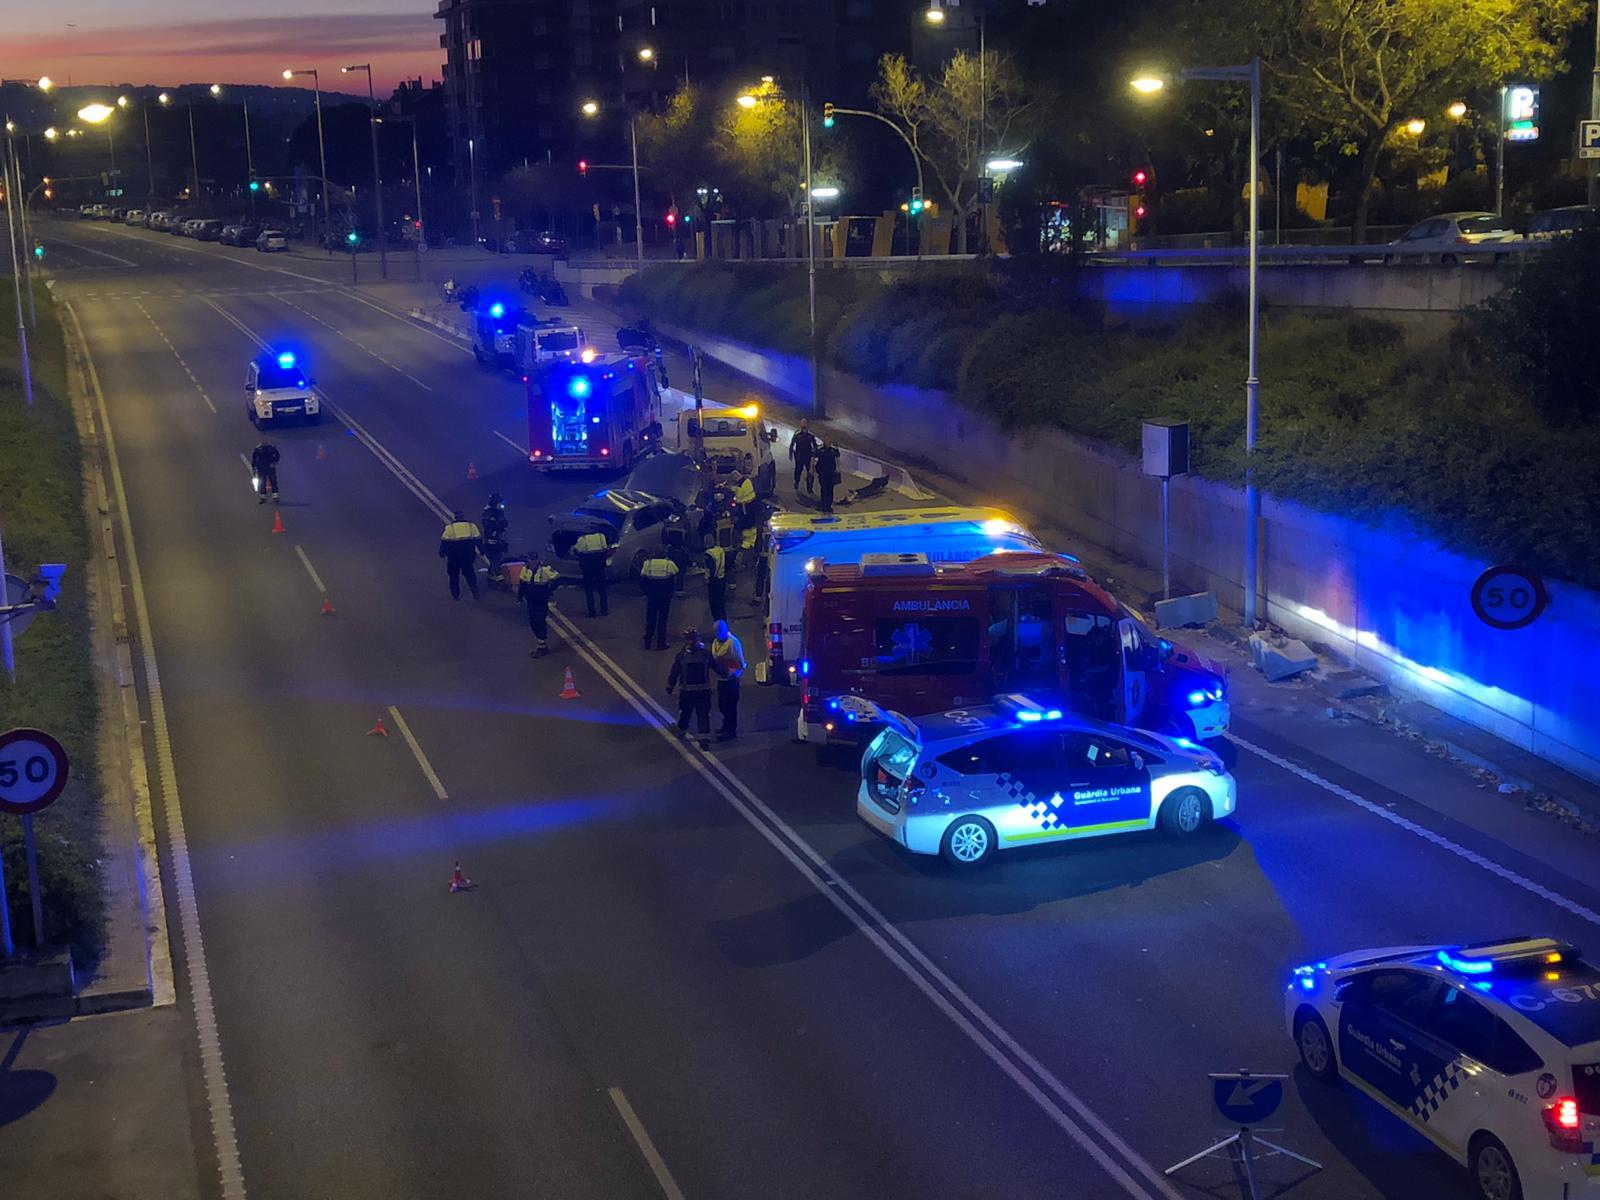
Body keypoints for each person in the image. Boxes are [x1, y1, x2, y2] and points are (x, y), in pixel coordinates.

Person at [666, 627, 713, 749]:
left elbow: (675, 672)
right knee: (703, 714)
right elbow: (716, 666)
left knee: (685, 712)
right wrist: (728, 673)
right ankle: (704, 740)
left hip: (687, 691)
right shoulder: (705, 654)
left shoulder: (682, 656)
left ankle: (681, 731)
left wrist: (670, 686)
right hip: (703, 691)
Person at [517, 554, 564, 656]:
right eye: (529, 560)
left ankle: (542, 645)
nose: (531, 562)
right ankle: (541, 643)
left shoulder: (545, 569)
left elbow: (558, 579)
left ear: (537, 560)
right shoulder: (525, 569)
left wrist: (549, 590)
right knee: (533, 622)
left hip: (541, 601)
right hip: (530, 600)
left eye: (533, 560)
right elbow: (522, 584)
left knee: (540, 621)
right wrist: (520, 597)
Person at [710, 619, 746, 741]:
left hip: (731, 680)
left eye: (719, 630)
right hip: (721, 678)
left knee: (730, 706)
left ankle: (730, 731)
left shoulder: (733, 643)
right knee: (722, 705)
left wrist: (732, 671)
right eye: (715, 631)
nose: (717, 633)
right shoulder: (716, 642)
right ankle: (725, 727)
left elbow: (740, 663)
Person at [638, 549, 680, 650]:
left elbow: (642, 578)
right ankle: (661, 643)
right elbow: (676, 574)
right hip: (665, 595)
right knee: (663, 619)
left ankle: (648, 642)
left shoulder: (648, 563)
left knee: (650, 618)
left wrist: (645, 592)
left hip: (652, 595)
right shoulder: (669, 564)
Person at [438, 510, 482, 599]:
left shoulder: (450, 528)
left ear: (455, 517)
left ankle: (455, 594)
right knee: (470, 574)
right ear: (463, 516)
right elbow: (478, 540)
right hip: (468, 556)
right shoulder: (471, 526)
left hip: (453, 557)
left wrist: (442, 553)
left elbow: (444, 543)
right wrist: (482, 551)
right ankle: (475, 591)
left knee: (454, 576)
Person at [573, 529, 611, 617]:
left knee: (589, 589)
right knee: (602, 589)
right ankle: (604, 610)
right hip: (599, 566)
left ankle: (592, 612)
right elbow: (605, 548)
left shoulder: (582, 539)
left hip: (587, 567)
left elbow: (576, 551)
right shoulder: (601, 536)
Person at [479, 494, 509, 585]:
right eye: (499, 502)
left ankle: (491, 576)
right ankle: (499, 579)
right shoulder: (488, 513)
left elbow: (504, 523)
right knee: (496, 559)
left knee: (495, 560)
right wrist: (499, 525)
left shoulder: (497, 511)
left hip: (497, 540)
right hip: (492, 542)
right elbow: (490, 527)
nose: (500, 504)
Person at [789, 419, 818, 492]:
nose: (804, 425)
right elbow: (792, 444)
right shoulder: (797, 434)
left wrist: (815, 455)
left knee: (810, 473)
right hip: (799, 455)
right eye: (803, 423)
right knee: (798, 470)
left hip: (808, 456)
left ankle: (809, 488)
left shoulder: (810, 435)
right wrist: (791, 454)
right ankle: (796, 482)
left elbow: (815, 446)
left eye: (805, 423)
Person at [815, 438, 842, 514]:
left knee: (830, 489)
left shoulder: (834, 450)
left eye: (829, 441)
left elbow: (837, 460)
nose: (828, 442)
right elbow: (815, 459)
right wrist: (813, 470)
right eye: (826, 440)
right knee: (824, 488)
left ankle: (828, 506)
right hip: (822, 472)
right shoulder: (820, 449)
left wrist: (838, 471)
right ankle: (824, 505)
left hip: (831, 473)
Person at [704, 542, 729, 624]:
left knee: (714, 604)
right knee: (721, 603)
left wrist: (707, 579)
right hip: (722, 578)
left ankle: (719, 625)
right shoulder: (720, 549)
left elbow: (710, 569)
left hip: (714, 581)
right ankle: (724, 622)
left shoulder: (709, 554)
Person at [250, 439, 281, 504]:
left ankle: (275, 497)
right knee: (262, 483)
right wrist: (254, 467)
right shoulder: (258, 449)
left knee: (273, 482)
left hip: (270, 467)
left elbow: (277, 455)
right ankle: (263, 498)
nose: (264, 442)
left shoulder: (271, 448)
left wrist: (274, 463)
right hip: (261, 468)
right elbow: (254, 458)